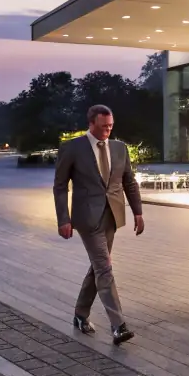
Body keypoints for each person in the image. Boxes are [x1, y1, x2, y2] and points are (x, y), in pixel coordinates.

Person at [53, 104, 144, 345]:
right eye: (104, 126)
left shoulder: (119, 148)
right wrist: (64, 219)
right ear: (91, 123)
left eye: (111, 126)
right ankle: (118, 326)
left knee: (97, 267)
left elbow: (129, 182)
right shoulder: (72, 148)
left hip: (112, 216)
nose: (108, 130)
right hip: (87, 218)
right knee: (104, 268)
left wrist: (138, 212)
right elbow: (60, 186)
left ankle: (80, 314)